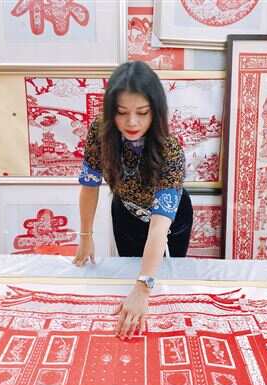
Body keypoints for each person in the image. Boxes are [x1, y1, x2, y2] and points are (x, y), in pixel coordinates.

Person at [73, 61, 193, 340]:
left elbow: (159, 227)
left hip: (169, 221)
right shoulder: (100, 133)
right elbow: (89, 186)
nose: (132, 122)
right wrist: (86, 236)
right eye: (122, 112)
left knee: (165, 284)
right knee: (125, 274)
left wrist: (142, 289)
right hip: (126, 212)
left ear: (155, 111)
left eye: (142, 113)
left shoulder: (170, 151)